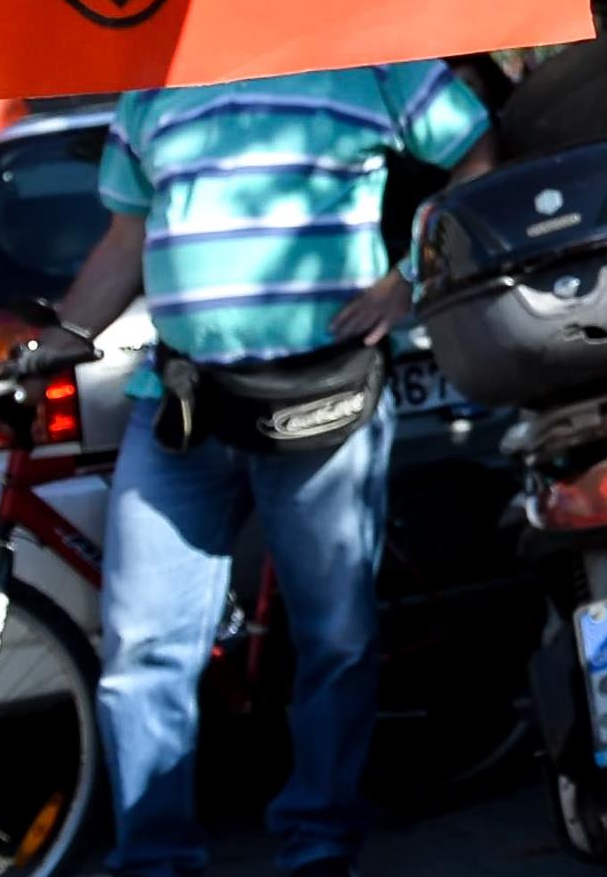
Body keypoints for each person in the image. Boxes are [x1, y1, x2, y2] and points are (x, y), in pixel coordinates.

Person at [57, 60, 495, 877]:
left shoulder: (373, 54)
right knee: (141, 647)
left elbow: (474, 159)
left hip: (322, 400)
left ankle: (319, 844)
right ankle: (156, 861)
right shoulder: (153, 80)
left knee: (333, 639)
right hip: (183, 405)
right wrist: (55, 339)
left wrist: (407, 280)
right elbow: (125, 240)